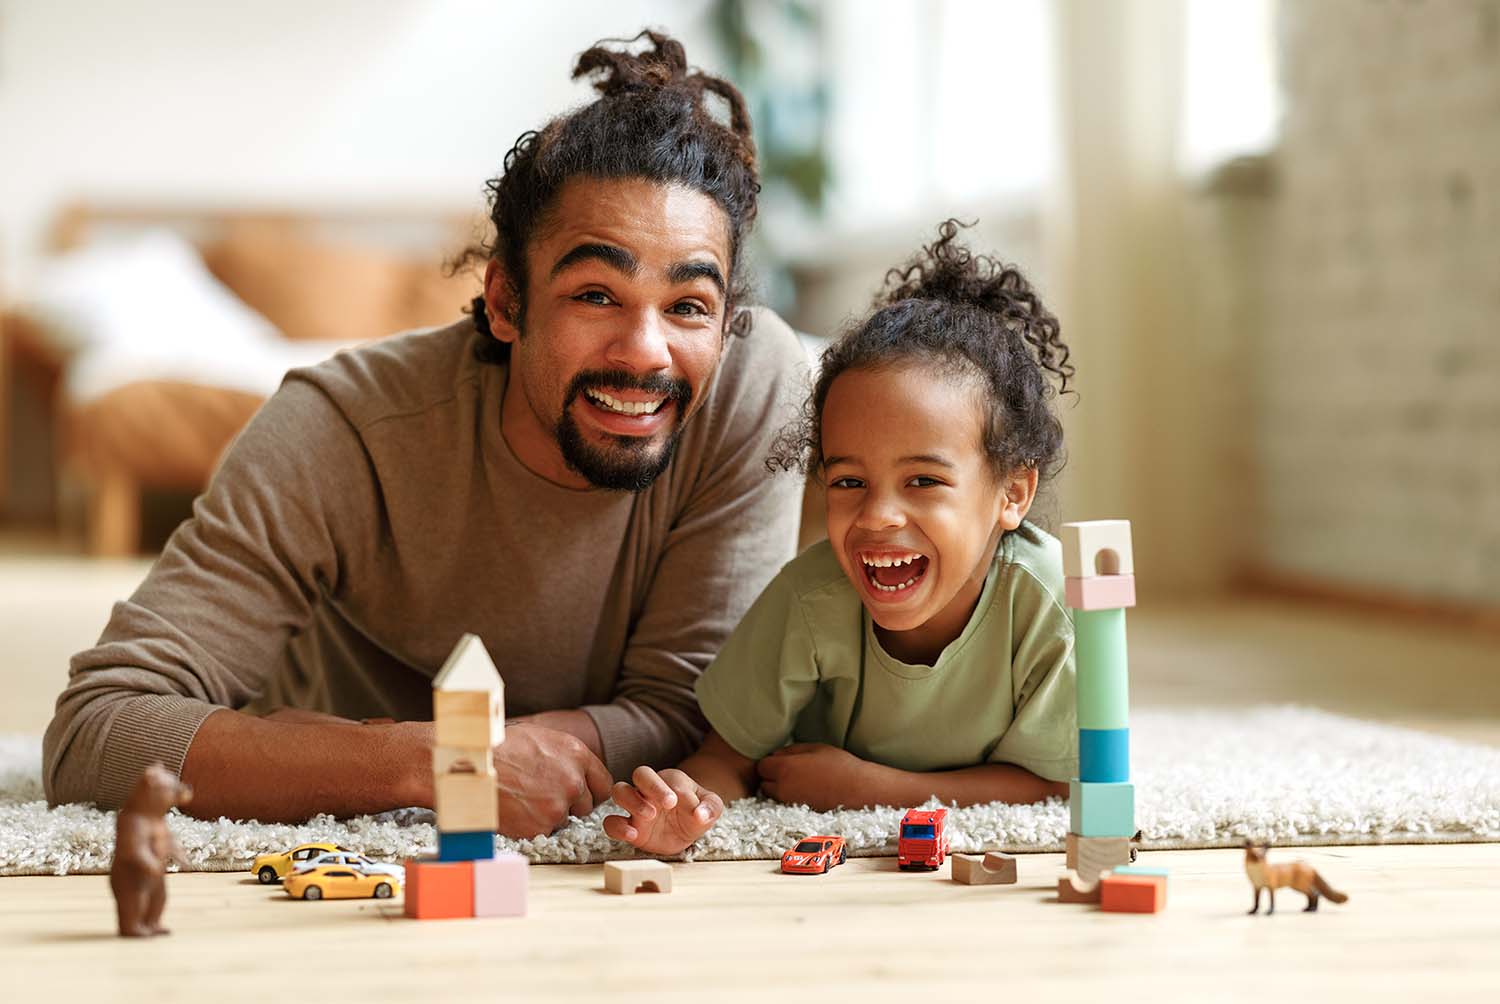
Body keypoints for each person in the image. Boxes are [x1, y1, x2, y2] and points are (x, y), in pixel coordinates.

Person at [41, 31, 807, 838]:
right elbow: (97, 734)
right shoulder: (342, 428)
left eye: (688, 306)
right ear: (507, 304)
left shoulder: (749, 386)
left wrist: (542, 748)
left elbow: (701, 714)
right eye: (595, 295)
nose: (646, 352)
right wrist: (436, 762)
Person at [603, 221, 1079, 854]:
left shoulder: (1048, 603)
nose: (877, 515)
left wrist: (874, 787)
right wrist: (686, 805)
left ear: (1011, 495)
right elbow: (728, 758)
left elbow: (1056, 785)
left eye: (923, 481)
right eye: (849, 481)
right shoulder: (812, 596)